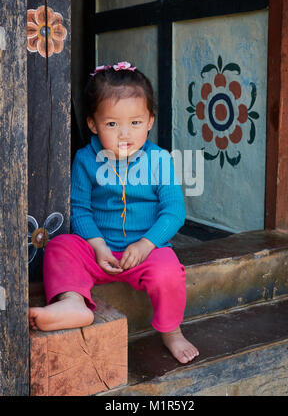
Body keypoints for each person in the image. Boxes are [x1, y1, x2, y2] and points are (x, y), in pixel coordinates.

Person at [29, 62, 199, 364]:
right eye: (112, 124)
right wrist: (96, 245)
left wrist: (146, 244)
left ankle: (171, 330)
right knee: (58, 246)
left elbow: (173, 211)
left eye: (135, 123)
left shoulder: (159, 160)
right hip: (98, 252)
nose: (125, 134)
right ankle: (73, 303)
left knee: (169, 272)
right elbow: (79, 208)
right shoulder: (85, 159)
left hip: (146, 251)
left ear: (149, 121)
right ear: (93, 124)